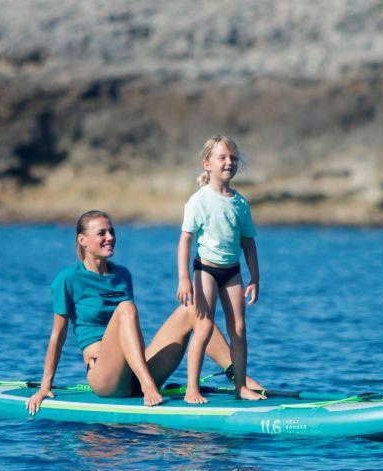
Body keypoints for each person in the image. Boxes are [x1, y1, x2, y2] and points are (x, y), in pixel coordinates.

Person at [26, 210, 262, 414]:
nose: (110, 238)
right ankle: (148, 384)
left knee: (192, 308)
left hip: (136, 367)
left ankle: (238, 377)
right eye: (102, 233)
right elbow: (58, 336)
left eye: (112, 232)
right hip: (105, 377)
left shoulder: (122, 275)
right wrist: (45, 386)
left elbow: (128, 330)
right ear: (83, 240)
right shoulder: (68, 279)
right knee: (126, 308)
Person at [177, 134, 265, 403]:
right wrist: (183, 278)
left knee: (238, 329)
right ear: (207, 164)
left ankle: (241, 387)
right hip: (205, 270)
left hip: (233, 272)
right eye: (222, 157)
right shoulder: (199, 200)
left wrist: (255, 277)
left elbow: (248, 242)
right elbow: (185, 240)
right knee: (203, 328)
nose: (229, 162)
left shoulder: (240, 203)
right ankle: (192, 388)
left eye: (233, 158)